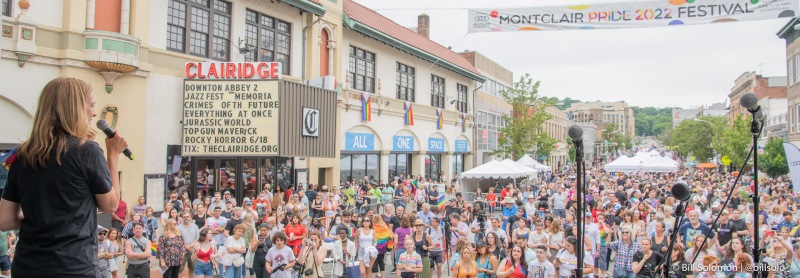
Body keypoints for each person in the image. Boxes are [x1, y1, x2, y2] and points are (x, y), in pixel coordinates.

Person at [0, 77, 128, 277]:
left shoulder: (23, 155)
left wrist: (41, 216)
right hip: (73, 267)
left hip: (28, 266)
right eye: (91, 105)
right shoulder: (86, 151)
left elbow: (5, 220)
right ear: (75, 108)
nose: (94, 112)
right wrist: (113, 155)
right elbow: (110, 205)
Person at [178, 212, 200, 276]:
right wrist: (186, 247)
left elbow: (197, 237)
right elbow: (178, 239)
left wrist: (191, 246)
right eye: (184, 217)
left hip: (193, 251)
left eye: (187, 217)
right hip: (182, 251)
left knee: (192, 268)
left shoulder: (195, 226)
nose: (186, 218)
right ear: (182, 218)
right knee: (180, 270)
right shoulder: (178, 227)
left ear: (190, 217)